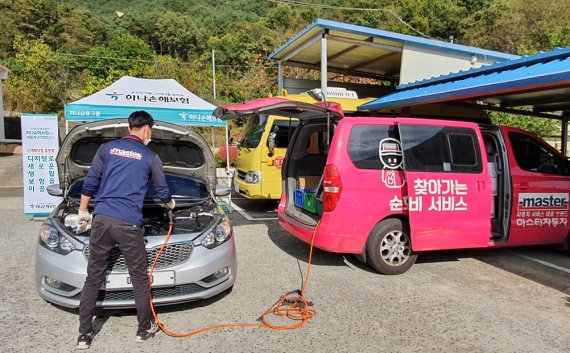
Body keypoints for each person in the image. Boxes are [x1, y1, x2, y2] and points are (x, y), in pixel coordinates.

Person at [75, 111, 175, 349]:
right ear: (147, 129)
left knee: (93, 277)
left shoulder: (107, 149)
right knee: (140, 278)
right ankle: (143, 330)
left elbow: (91, 181)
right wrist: (171, 204)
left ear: (130, 127)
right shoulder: (149, 156)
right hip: (128, 224)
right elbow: (162, 191)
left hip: (101, 220)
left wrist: (82, 211)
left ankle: (84, 335)